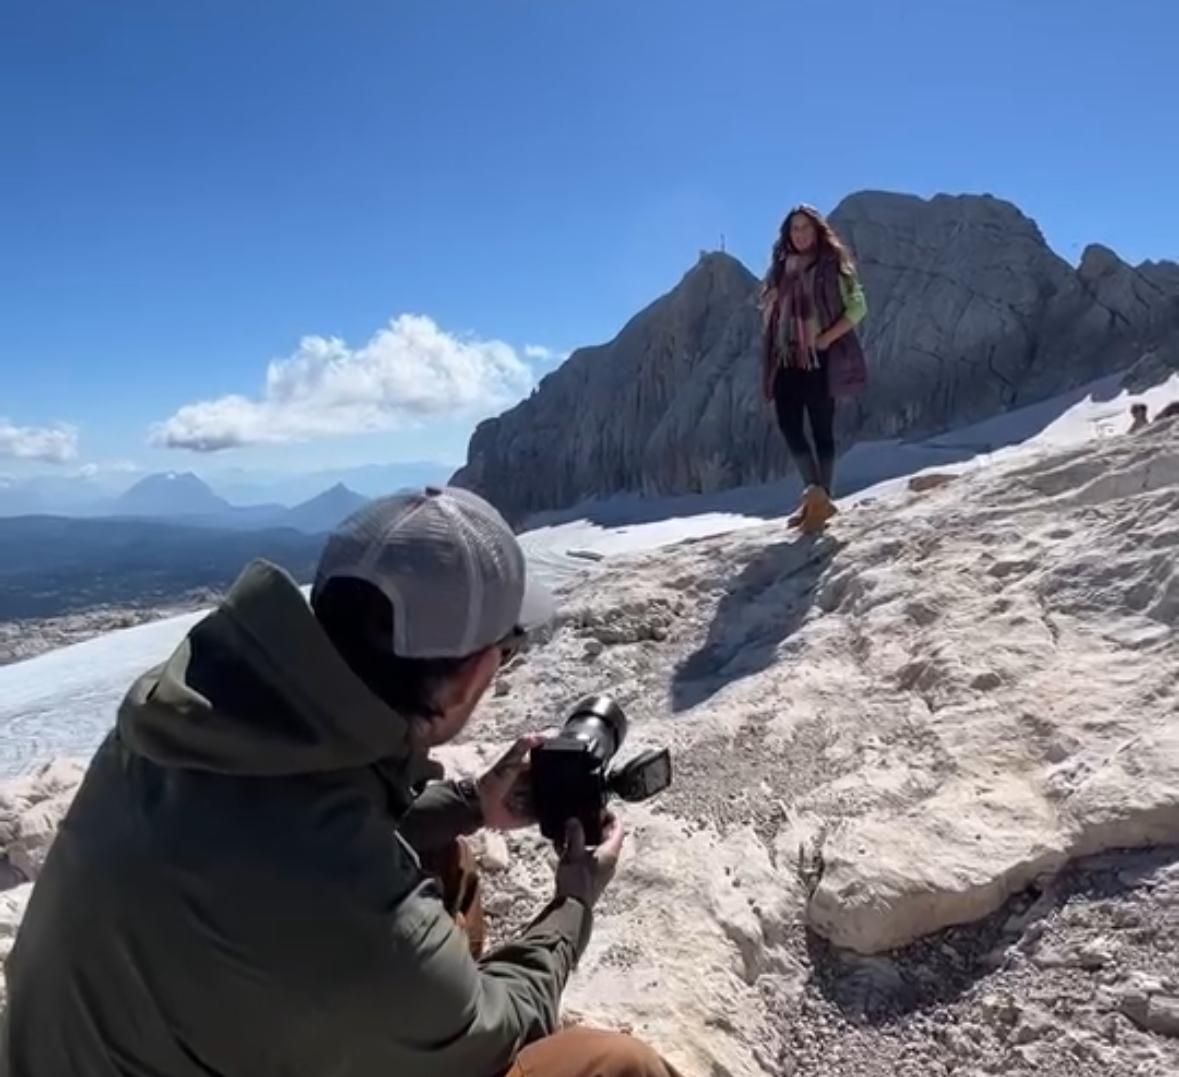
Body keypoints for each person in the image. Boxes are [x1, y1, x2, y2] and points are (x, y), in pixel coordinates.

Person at [1, 486, 682, 1077]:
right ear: (473, 674)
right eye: (503, 653)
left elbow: (280, 836)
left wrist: (472, 803)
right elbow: (495, 1023)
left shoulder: (184, 715)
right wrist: (573, 901)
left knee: (444, 858)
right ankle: (418, 1022)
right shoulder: (345, 890)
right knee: (614, 1064)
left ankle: (409, 1014)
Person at [760, 204, 868, 533]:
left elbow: (858, 306)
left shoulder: (832, 264)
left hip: (821, 357)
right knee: (789, 426)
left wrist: (826, 339)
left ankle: (821, 500)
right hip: (786, 357)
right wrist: (771, 301)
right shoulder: (779, 271)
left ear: (817, 230)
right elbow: (769, 313)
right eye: (794, 228)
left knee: (822, 430)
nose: (800, 234)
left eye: (806, 227)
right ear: (787, 234)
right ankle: (815, 496)